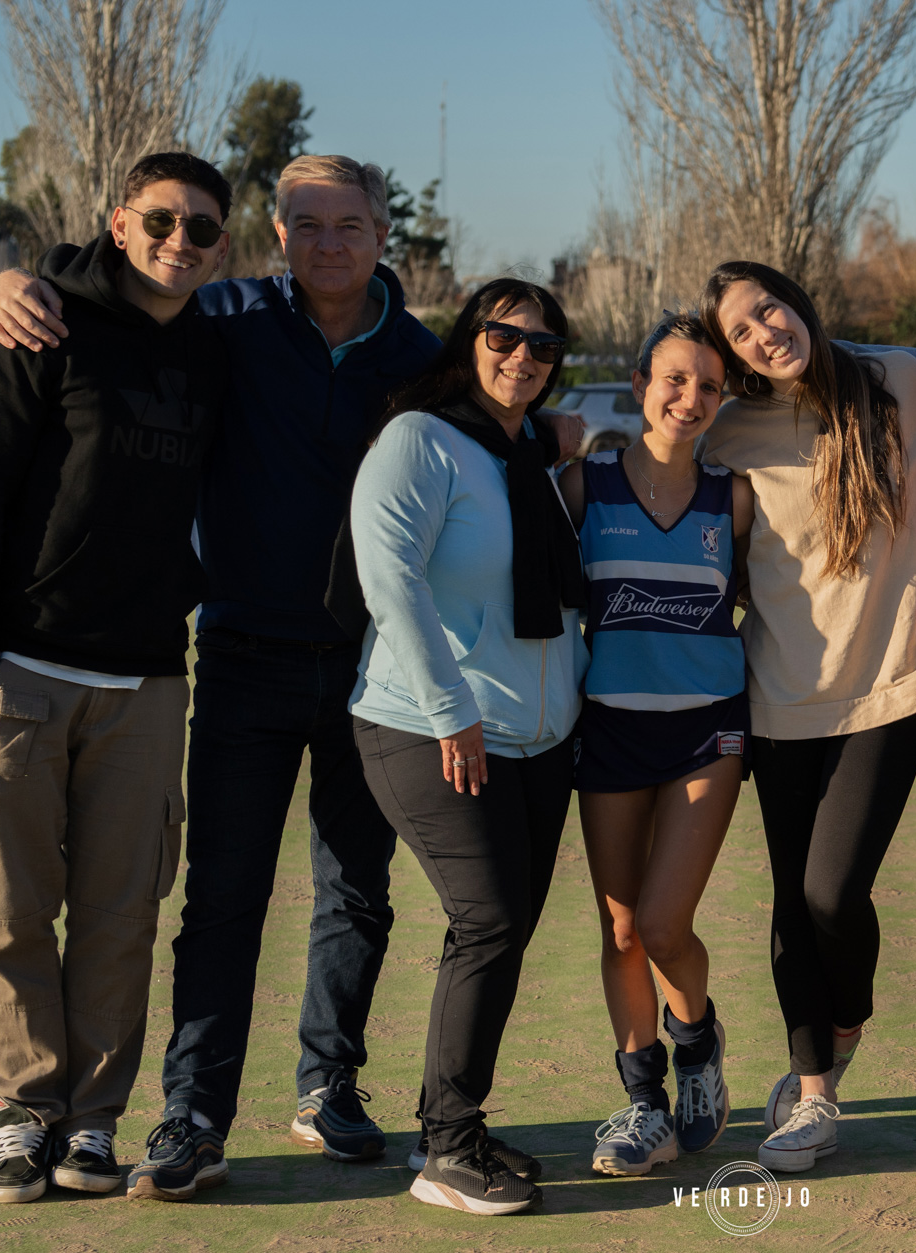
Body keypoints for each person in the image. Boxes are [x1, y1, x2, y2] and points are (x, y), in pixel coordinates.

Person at [0, 156, 570, 1198]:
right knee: (224, 896)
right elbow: (120, 292)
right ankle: (192, 1117)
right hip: (245, 658)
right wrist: (23, 279)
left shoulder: (420, 354)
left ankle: (327, 1086)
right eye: (308, 223)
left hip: (370, 676)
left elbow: (497, 426)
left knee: (357, 889)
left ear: (383, 233)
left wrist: (562, 437)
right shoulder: (225, 318)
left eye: (349, 223)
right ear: (277, 232)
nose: (329, 243)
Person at [0, 152, 232, 1204]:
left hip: (147, 675)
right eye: (161, 219)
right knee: (8, 908)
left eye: (202, 229)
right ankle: (22, 1115)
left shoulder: (215, 344)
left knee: (121, 911)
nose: (179, 241)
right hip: (17, 666)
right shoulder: (41, 318)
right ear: (119, 220)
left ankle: (93, 1122)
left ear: (223, 246)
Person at [698, 261, 916, 1173]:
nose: (764, 331)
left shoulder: (901, 379)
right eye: (740, 331)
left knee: (831, 891)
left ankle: (843, 1023)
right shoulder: (731, 431)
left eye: (767, 308)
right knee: (789, 901)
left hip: (891, 683)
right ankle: (814, 1095)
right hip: (777, 699)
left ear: (796, 300)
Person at [349, 277, 586, 1217]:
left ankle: (455, 1121)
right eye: (505, 335)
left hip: (538, 737)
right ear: (469, 339)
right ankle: (446, 1148)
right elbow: (389, 577)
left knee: (504, 928)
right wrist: (451, 710)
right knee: (487, 920)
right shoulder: (421, 440)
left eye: (543, 347)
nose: (523, 355)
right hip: (426, 725)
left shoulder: (528, 449)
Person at [556, 314, 754, 1176]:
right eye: (675, 379)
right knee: (626, 928)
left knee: (669, 923)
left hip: (707, 726)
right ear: (640, 385)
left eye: (709, 385)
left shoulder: (732, 496)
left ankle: (698, 1042)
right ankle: (644, 1106)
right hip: (608, 725)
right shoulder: (582, 484)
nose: (691, 397)